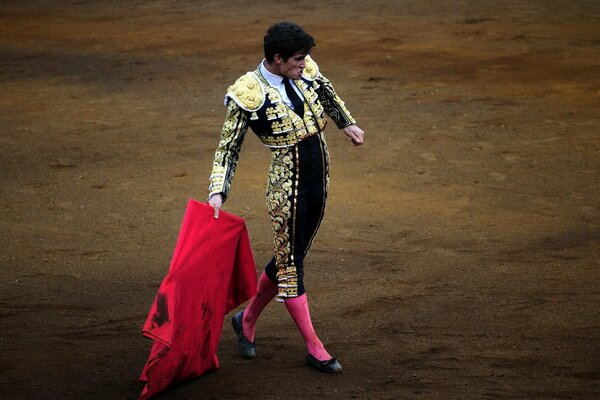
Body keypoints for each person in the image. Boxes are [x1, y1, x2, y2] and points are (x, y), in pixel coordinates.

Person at [207, 21, 364, 373]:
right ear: (277, 59)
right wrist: (218, 191)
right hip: (286, 184)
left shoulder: (305, 70)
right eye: (296, 60)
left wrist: (346, 123)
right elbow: (227, 149)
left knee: (289, 257)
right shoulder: (247, 91)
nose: (304, 65)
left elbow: (326, 93)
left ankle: (245, 320)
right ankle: (314, 346)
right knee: (291, 266)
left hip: (318, 177)